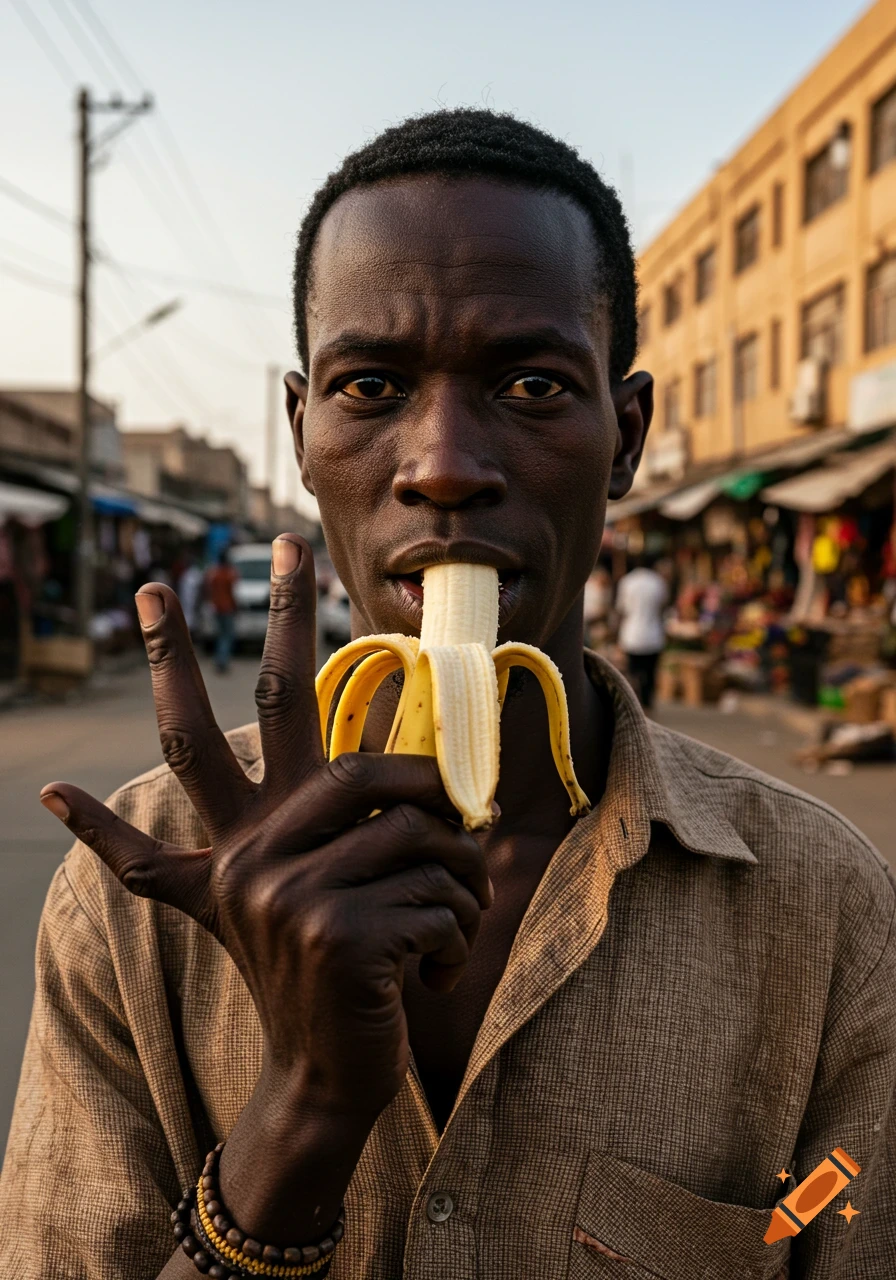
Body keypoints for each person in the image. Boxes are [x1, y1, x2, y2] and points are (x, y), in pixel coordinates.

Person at [2, 110, 894, 1280]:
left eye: (529, 383)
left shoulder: (826, 913)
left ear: (623, 438)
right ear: (301, 430)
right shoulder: (128, 903)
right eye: (369, 385)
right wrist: (301, 1115)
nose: (441, 464)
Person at [615, 554, 668, 709]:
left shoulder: (627, 581)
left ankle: (635, 703)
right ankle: (648, 702)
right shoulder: (658, 582)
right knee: (650, 672)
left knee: (633, 672)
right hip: (654, 635)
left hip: (632, 635)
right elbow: (662, 606)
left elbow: (622, 609)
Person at [205, 548, 238, 673]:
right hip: (227, 608)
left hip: (216, 607)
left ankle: (219, 659)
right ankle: (222, 660)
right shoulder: (229, 574)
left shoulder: (214, 573)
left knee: (220, 635)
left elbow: (209, 590)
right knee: (227, 635)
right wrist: (235, 606)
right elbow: (231, 593)